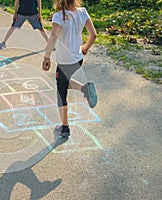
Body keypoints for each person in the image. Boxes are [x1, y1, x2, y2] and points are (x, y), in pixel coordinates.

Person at [42, 0, 97, 137]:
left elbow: (53, 36)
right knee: (64, 82)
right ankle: (85, 88)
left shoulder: (59, 16)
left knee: (61, 93)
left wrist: (47, 57)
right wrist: (85, 47)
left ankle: (65, 127)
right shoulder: (82, 12)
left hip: (65, 61)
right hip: (78, 59)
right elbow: (93, 35)